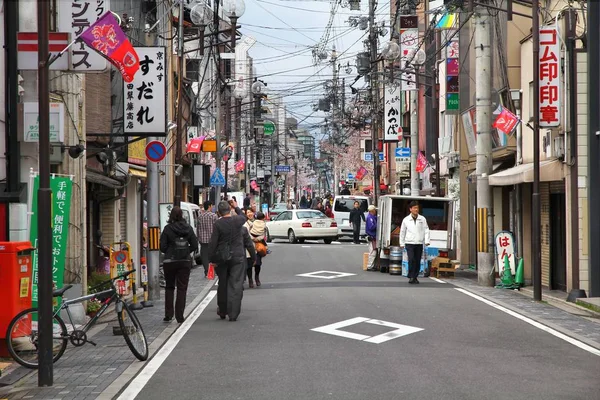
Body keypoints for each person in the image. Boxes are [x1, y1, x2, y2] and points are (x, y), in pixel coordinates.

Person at [209, 200, 255, 321]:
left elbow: (213, 243)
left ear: (218, 212)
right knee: (236, 284)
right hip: (237, 256)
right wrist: (237, 207)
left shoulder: (218, 224)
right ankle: (233, 313)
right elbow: (243, 216)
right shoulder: (237, 221)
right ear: (230, 210)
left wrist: (212, 259)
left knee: (223, 283)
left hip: (222, 258)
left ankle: (223, 310)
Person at [160, 206, 199, 323]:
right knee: (182, 288)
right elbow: (195, 245)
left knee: (169, 287)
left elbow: (162, 247)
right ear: (182, 215)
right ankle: (179, 316)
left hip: (170, 261)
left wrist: (169, 252)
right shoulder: (188, 228)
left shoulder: (167, 229)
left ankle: (168, 314)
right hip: (184, 261)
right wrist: (186, 251)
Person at [399, 201, 430, 284]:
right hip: (409, 243)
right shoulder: (406, 220)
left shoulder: (422, 219)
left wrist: (427, 240)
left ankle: (415, 276)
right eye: (414, 208)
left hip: (419, 242)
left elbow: (426, 230)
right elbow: (402, 232)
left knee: (417, 260)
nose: (416, 209)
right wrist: (401, 243)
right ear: (410, 209)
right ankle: (411, 276)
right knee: (411, 259)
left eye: (417, 208)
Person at [197, 201, 218, 278]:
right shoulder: (214, 216)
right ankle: (212, 271)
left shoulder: (200, 216)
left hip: (203, 240)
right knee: (213, 256)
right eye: (211, 206)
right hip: (212, 240)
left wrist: (198, 237)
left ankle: (206, 271)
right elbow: (216, 228)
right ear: (209, 206)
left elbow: (198, 229)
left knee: (204, 256)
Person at [249, 212, 267, 286]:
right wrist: (257, 239)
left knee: (254, 263)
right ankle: (252, 279)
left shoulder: (252, 224)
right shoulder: (264, 225)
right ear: (263, 218)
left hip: (251, 244)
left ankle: (255, 278)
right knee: (255, 264)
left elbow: (248, 233)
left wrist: (253, 238)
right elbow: (263, 236)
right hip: (257, 245)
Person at [243, 209, 256, 287]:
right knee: (249, 265)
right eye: (247, 213)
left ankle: (256, 277)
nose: (249, 214)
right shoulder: (245, 225)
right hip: (248, 246)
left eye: (250, 212)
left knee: (257, 264)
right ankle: (250, 279)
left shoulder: (257, 222)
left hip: (257, 245)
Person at [366, 205, 378, 270]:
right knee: (372, 252)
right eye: (374, 210)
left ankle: (371, 265)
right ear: (372, 211)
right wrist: (377, 225)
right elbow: (371, 227)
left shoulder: (372, 217)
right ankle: (369, 266)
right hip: (371, 236)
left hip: (372, 236)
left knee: (373, 251)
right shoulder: (370, 218)